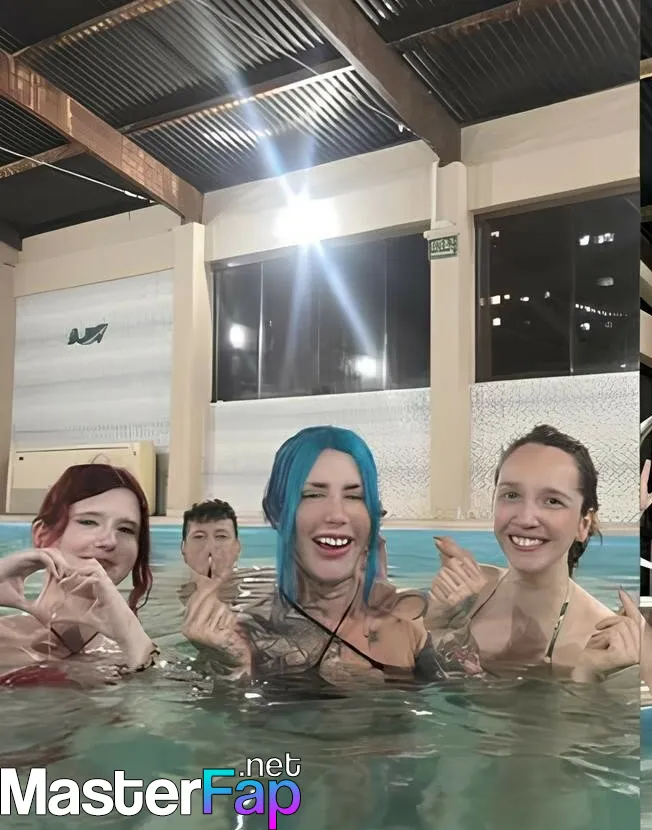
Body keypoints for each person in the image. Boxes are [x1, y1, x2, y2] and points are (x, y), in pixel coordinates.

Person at [182, 426, 483, 690]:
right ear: (277, 513)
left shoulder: (409, 622)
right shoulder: (248, 638)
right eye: (313, 495)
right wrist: (231, 672)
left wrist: (451, 629)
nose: (337, 514)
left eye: (354, 496)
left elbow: (465, 700)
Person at [426, 425, 640, 682]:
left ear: (583, 525)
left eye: (552, 501)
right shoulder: (467, 594)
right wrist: (440, 627)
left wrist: (585, 675)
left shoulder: (604, 644)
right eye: (511, 495)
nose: (526, 518)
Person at [0, 464, 157, 684]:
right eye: (88, 522)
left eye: (125, 529)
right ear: (42, 535)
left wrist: (131, 635)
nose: (109, 541)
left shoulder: (136, 650)